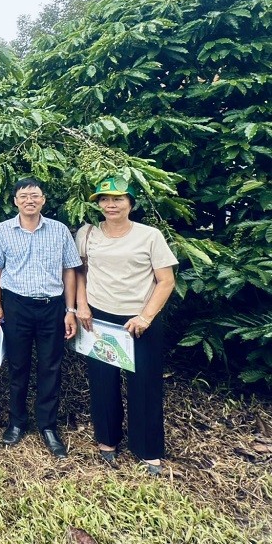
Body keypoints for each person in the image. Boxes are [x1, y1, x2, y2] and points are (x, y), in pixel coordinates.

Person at [75, 177, 177, 475]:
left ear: (131, 203)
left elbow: (166, 280)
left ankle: (147, 449)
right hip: (100, 318)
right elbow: (81, 272)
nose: (111, 204)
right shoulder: (88, 233)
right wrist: (82, 305)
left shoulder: (149, 236)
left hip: (138, 321)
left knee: (144, 385)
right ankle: (108, 441)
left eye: (118, 199)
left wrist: (145, 317)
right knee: (102, 382)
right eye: (105, 199)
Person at [0, 179, 82, 458]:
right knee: (18, 366)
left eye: (35, 195)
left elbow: (70, 270)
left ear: (43, 200)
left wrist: (70, 310)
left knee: (50, 367)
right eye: (23, 196)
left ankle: (48, 426)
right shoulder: (3, 230)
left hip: (52, 307)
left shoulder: (59, 230)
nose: (29, 200)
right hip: (16, 306)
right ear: (15, 201)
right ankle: (17, 422)